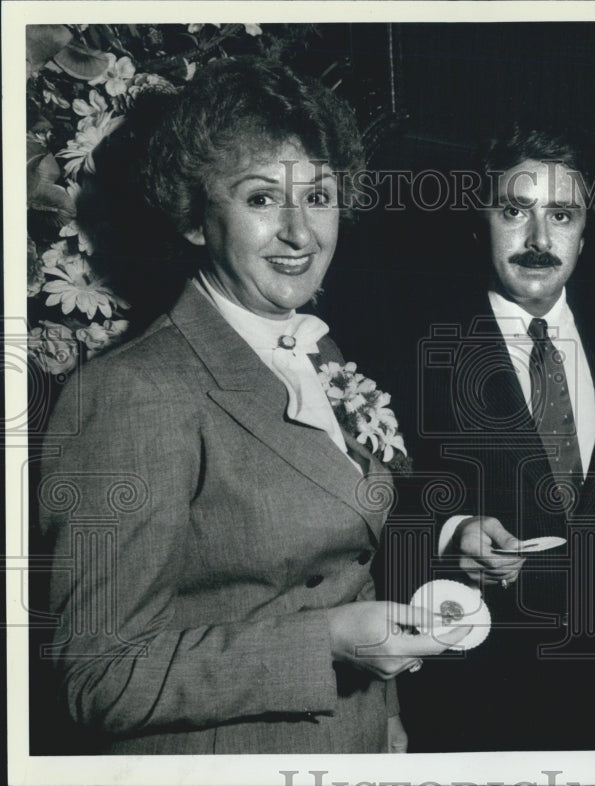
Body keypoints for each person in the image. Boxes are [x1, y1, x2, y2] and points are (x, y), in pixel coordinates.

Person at [38, 57, 467, 755]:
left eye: (319, 196)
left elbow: (347, 561)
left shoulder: (317, 351)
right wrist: (326, 644)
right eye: (262, 199)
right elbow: (98, 678)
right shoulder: (133, 393)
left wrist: (381, 715)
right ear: (195, 218)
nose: (301, 233)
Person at [392, 124, 595, 751]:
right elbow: (374, 503)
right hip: (476, 693)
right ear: (480, 222)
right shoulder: (410, 348)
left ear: (584, 235)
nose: (538, 239)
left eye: (561, 214)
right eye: (514, 210)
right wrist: (452, 532)